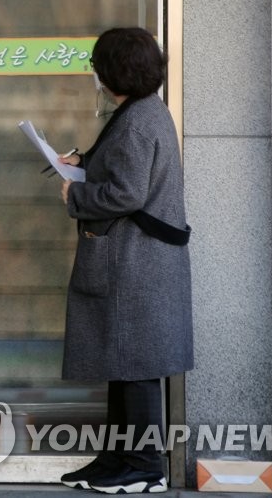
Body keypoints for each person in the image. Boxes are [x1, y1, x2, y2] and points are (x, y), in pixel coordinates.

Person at [56, 27, 194, 494]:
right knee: (124, 363)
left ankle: (142, 467)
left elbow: (127, 191)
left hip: (135, 262)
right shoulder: (142, 111)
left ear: (113, 70)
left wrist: (76, 192)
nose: (95, 73)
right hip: (134, 260)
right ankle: (118, 458)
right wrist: (81, 162)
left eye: (98, 66)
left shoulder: (138, 119)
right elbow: (122, 171)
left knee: (134, 365)